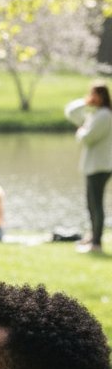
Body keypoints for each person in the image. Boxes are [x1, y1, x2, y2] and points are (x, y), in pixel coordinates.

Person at [65, 82, 112, 253]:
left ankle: (97, 243)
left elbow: (88, 137)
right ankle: (93, 237)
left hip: (100, 166)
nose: (92, 97)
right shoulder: (97, 114)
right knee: (91, 204)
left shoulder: (105, 115)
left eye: (95, 94)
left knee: (96, 204)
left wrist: (80, 132)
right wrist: (85, 102)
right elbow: (70, 112)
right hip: (94, 165)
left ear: (103, 96)